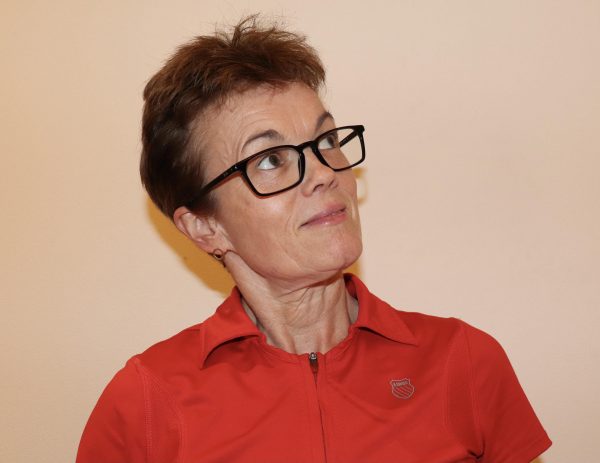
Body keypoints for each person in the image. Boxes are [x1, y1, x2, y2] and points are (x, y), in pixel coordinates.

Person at [77, 16, 551, 463]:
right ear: (205, 227)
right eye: (270, 160)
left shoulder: (463, 361)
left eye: (326, 142)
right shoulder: (145, 401)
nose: (325, 173)